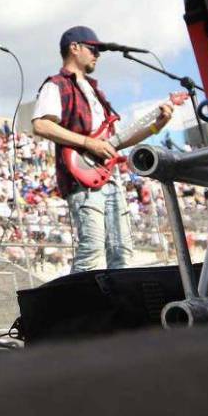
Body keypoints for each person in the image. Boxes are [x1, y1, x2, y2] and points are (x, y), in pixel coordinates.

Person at [30, 26, 174, 272]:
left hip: (109, 178)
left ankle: (121, 308)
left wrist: (156, 127)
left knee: (122, 252)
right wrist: (87, 142)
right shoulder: (56, 85)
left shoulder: (97, 92)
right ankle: (76, 309)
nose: (98, 55)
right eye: (93, 49)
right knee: (92, 251)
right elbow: (41, 124)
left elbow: (113, 142)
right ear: (74, 48)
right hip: (82, 179)